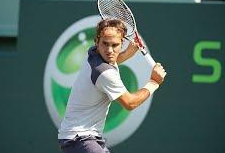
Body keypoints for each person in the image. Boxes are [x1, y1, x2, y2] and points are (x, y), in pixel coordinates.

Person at [58, 19, 167, 153]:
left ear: (122, 43)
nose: (109, 50)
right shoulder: (104, 74)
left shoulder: (93, 53)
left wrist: (128, 53)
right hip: (79, 139)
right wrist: (154, 82)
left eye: (115, 45)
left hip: (82, 138)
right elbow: (130, 103)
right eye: (105, 44)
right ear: (96, 42)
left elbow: (112, 60)